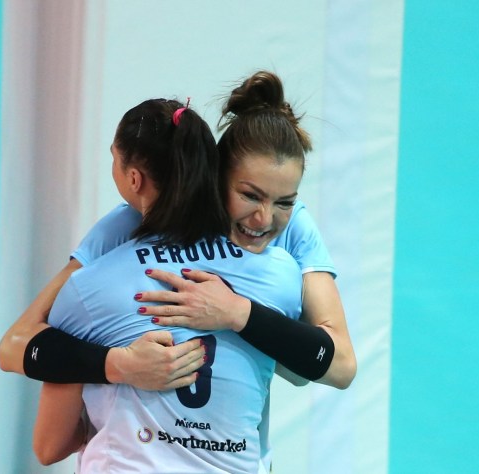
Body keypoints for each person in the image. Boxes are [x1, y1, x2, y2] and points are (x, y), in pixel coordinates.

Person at [33, 93, 305, 473]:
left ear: (134, 178)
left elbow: (49, 446)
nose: (263, 218)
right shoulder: (280, 276)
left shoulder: (87, 290)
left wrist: (116, 389)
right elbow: (311, 367)